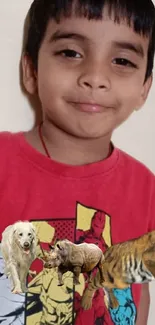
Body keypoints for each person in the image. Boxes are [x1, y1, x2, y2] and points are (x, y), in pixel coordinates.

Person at [0, 0, 155, 324]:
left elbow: (137, 291)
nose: (95, 77)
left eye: (122, 60)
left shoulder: (146, 188)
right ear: (31, 71)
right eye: (71, 53)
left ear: (145, 88)